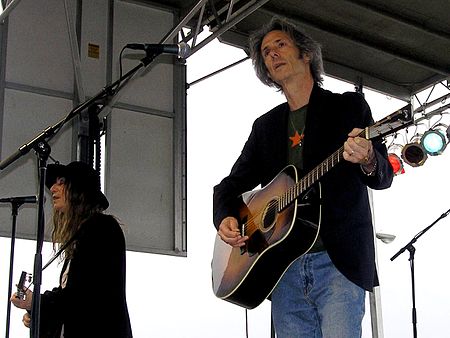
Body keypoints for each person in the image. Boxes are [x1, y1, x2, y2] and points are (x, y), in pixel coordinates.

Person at [213, 17, 394, 337]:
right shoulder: (266, 127)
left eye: (280, 45)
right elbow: (229, 185)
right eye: (266, 53)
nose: (272, 54)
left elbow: (382, 176)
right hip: (282, 271)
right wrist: (227, 216)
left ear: (306, 53)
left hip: (339, 265)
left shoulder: (348, 107)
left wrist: (367, 157)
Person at [11, 161, 133, 338]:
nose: (53, 188)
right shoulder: (84, 233)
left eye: (61, 182)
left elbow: (84, 297)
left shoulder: (102, 228)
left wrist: (38, 304)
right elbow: (73, 302)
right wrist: (37, 311)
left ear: (78, 190)